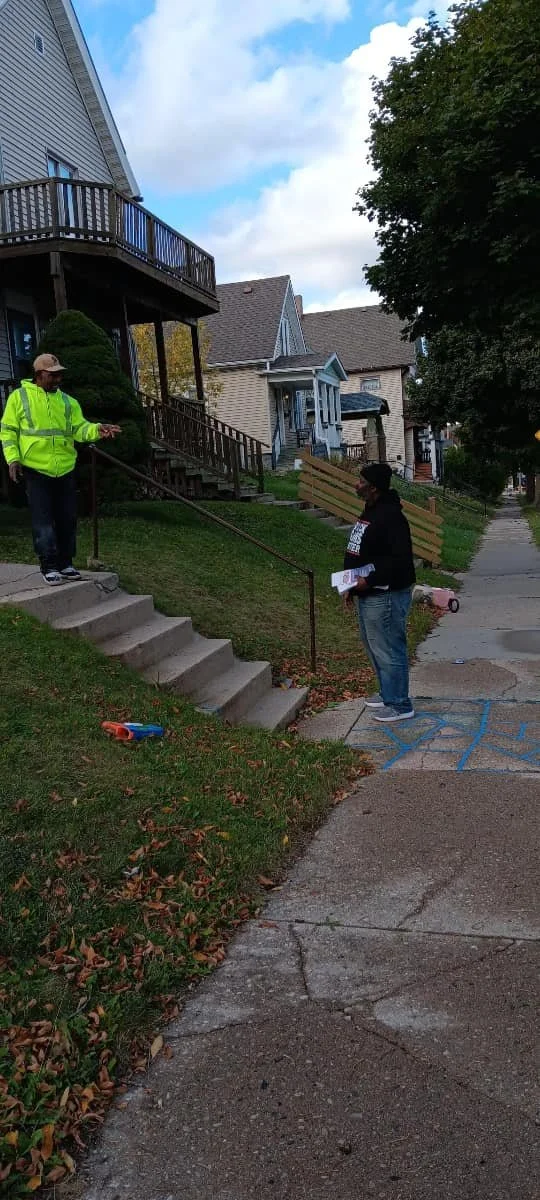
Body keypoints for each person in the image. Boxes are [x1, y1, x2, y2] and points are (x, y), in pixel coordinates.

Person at [0, 353, 121, 585]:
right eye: (52, 375)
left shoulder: (67, 401)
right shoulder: (19, 397)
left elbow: (79, 428)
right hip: (35, 469)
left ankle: (66, 563)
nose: (58, 379)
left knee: (67, 519)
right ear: (38, 375)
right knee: (43, 521)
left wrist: (97, 429)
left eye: (59, 375)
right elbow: (8, 431)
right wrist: (13, 459)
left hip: (65, 468)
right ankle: (49, 565)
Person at [344, 462, 416, 722]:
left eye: (361, 481)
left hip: (385, 594)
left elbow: (399, 560)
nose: (357, 484)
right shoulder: (371, 510)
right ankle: (388, 693)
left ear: (373, 487)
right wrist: (349, 584)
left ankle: (400, 704)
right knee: (374, 646)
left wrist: (369, 580)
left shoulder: (391, 516)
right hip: (367, 591)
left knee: (389, 647)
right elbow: (361, 550)